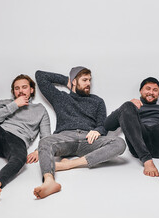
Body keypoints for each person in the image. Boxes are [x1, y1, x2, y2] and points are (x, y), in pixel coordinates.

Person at [33, 67, 126, 199]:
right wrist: (67, 81)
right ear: (74, 81)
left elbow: (102, 126)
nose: (88, 83)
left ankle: (70, 164)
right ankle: (49, 181)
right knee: (44, 142)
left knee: (119, 143)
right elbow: (40, 76)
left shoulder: (97, 101)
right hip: (65, 137)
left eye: (90, 80)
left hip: (88, 140)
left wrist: (98, 130)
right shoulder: (60, 97)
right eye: (84, 80)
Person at [0, 74, 50, 201]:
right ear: (13, 91)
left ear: (31, 90)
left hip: (18, 141)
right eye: (17, 88)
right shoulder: (5, 103)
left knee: (20, 159)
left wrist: (37, 151)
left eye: (24, 87)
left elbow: (46, 135)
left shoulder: (40, 109)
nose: (21, 91)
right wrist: (14, 105)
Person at [104, 77, 159, 190]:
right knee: (127, 105)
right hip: (140, 142)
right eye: (148, 88)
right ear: (141, 91)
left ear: (158, 94)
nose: (151, 92)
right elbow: (107, 125)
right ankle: (147, 161)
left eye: (155, 90)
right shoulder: (132, 106)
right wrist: (127, 106)